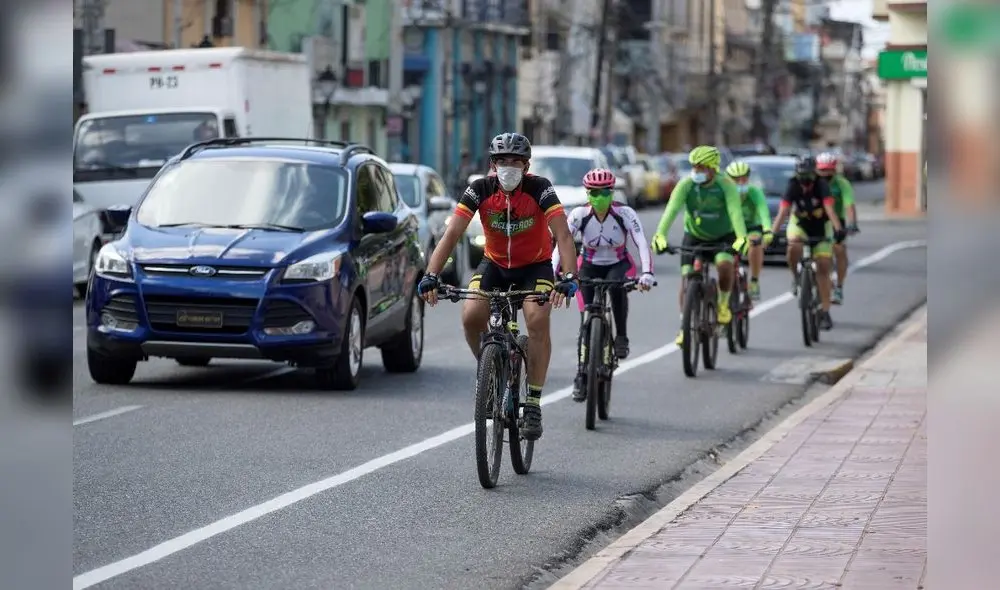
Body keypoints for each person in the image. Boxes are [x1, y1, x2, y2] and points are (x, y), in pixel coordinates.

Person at [417, 132, 579, 441]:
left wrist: (569, 276)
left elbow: (564, 235)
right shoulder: (479, 189)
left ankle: (532, 401)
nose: (508, 167)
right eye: (502, 161)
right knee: (470, 315)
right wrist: (431, 275)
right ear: (493, 164)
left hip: (535, 266)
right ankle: (491, 370)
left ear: (526, 165)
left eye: (515, 162)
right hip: (494, 266)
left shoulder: (540, 188)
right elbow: (451, 235)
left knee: (536, 317)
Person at [553, 167, 655, 402]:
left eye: (605, 192)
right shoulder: (579, 214)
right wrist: (553, 272)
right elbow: (562, 243)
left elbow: (640, 242)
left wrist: (647, 272)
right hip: (588, 265)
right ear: (587, 193)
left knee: (619, 286)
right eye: (595, 193)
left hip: (618, 264)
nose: (600, 197)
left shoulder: (625, 213)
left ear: (613, 192)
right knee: (586, 318)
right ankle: (581, 374)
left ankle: (621, 337)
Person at [649, 146, 749, 346]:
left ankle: (722, 305)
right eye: (694, 167)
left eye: (701, 167)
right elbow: (671, 209)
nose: (696, 171)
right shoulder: (686, 185)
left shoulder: (726, 185)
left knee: (724, 265)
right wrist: (660, 235)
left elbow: (735, 212)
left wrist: (741, 237)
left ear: (713, 168)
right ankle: (684, 327)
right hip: (694, 236)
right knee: (687, 278)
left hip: (723, 236)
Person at [770, 156, 847, 331]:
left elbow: (829, 208)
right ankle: (796, 278)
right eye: (801, 175)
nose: (805, 180)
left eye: (809, 175)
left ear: (815, 174)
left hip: (821, 226)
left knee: (823, 266)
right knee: (793, 246)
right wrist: (773, 233)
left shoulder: (822, 185)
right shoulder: (793, 185)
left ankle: (825, 311)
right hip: (800, 224)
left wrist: (838, 229)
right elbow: (783, 211)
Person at [724, 160, 773, 300]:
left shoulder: (754, 192)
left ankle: (754, 281)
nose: (740, 182)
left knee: (755, 243)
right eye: (736, 179)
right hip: (730, 229)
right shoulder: (724, 192)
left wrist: (768, 230)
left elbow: (764, 212)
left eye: (744, 179)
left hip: (751, 228)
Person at [816, 152, 859, 304]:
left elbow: (849, 205)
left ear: (834, 170)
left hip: (837, 222)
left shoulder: (842, 183)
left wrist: (852, 223)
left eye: (829, 170)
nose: (825, 174)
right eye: (822, 170)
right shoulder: (813, 183)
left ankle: (839, 287)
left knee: (839, 250)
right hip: (817, 220)